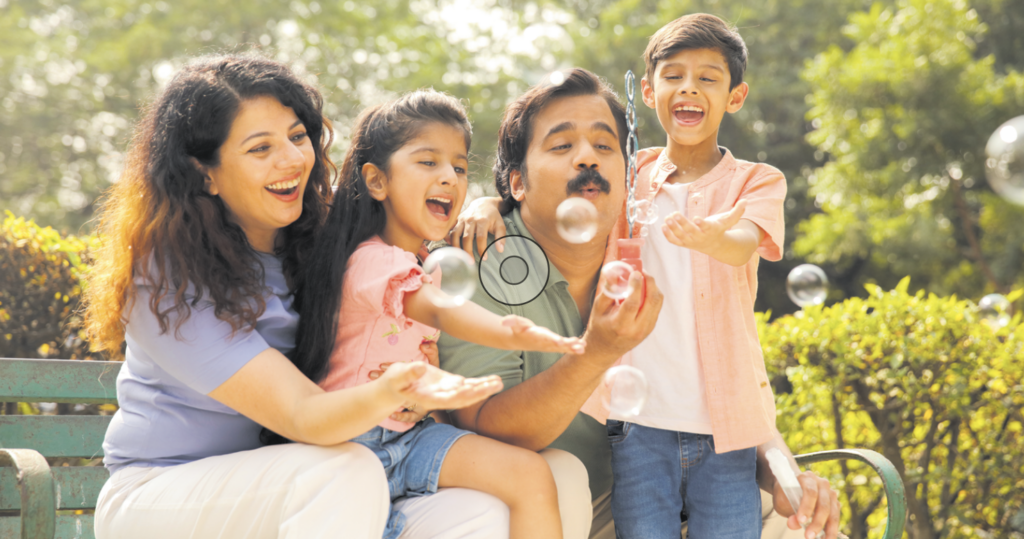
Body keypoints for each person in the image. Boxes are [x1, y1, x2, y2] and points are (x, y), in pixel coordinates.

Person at [83, 54, 510, 539]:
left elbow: (413, 211)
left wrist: (485, 205)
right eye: (260, 148)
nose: (291, 159)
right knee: (344, 470)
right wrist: (391, 391)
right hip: (163, 494)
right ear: (205, 172)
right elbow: (303, 415)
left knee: (481, 512)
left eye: (297, 136)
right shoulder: (165, 276)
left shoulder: (322, 237)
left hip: (300, 482)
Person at [444, 66, 841, 539]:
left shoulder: (653, 251)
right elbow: (485, 426)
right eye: (562, 146)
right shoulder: (486, 258)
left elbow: (715, 392)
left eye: (604, 145)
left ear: (631, 175)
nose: (587, 157)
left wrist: (784, 475)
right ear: (517, 183)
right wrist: (598, 351)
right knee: (560, 478)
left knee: (811, 529)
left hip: (661, 496)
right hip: (547, 509)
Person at [294, 90, 586, 539]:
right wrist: (509, 331)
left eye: (460, 167)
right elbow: (440, 310)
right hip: (353, 447)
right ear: (377, 182)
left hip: (411, 438)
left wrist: (488, 204)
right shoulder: (372, 262)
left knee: (530, 475)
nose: (449, 176)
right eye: (428, 162)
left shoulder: (428, 260)